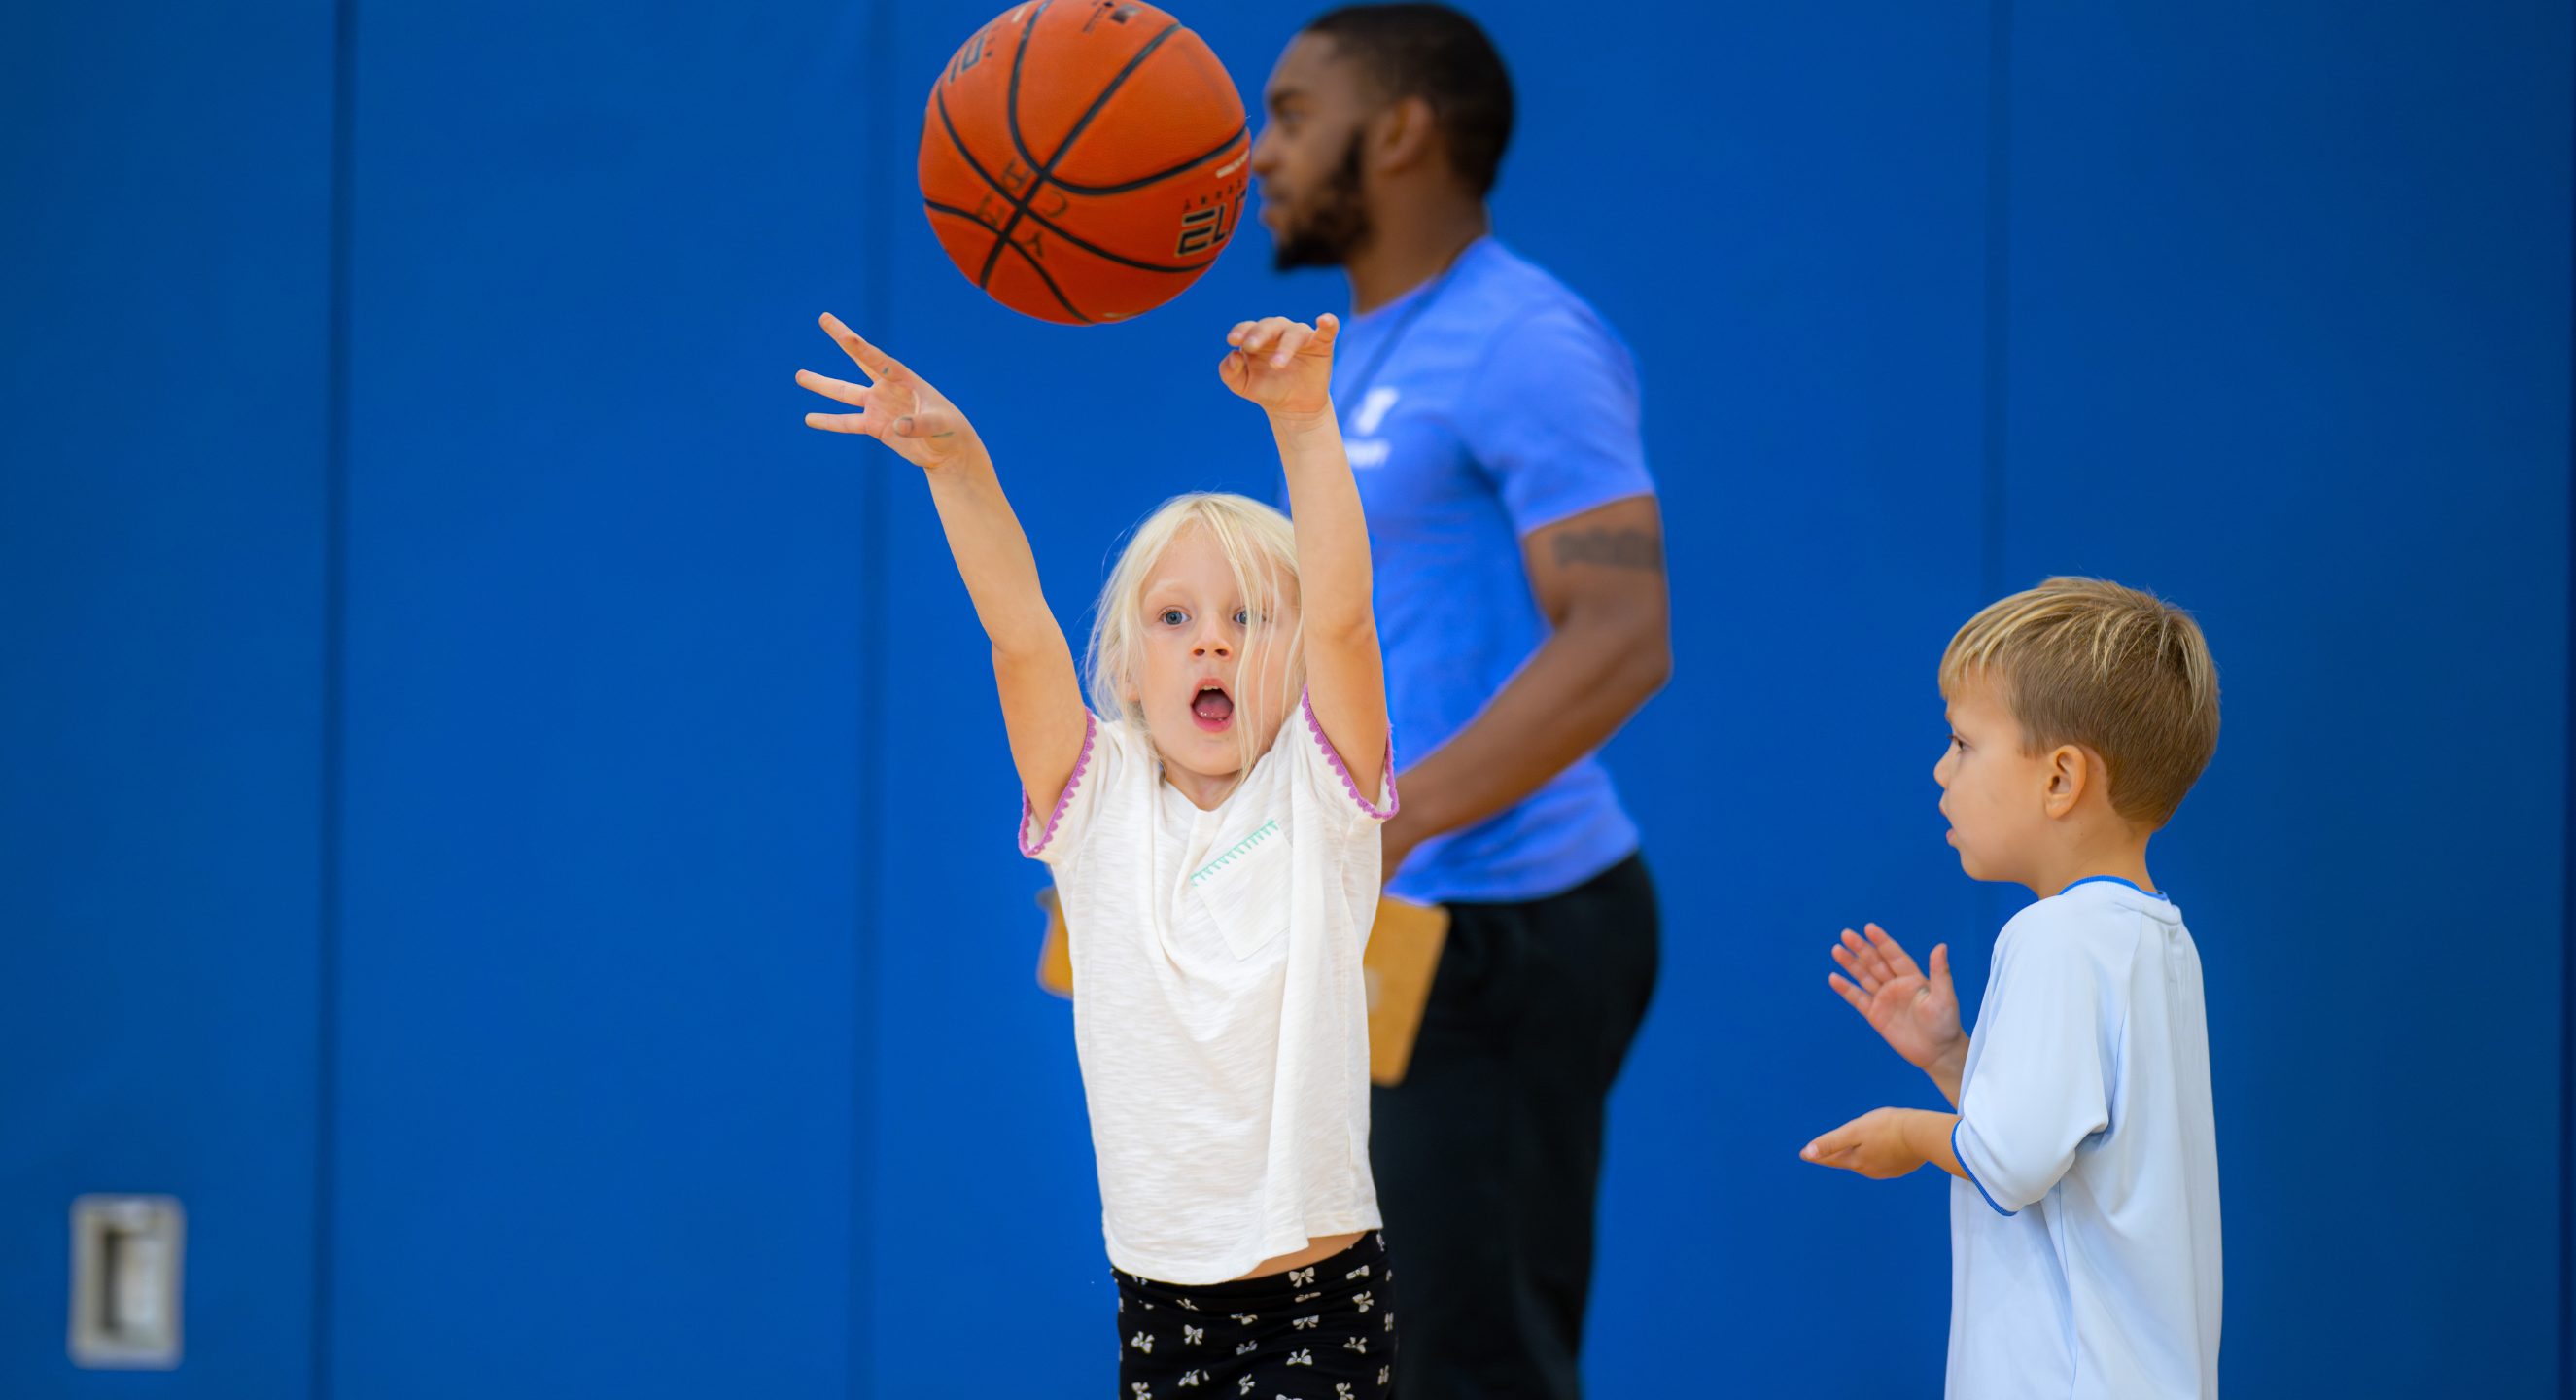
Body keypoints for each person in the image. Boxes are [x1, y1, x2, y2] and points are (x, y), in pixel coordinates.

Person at [796, 309, 1402, 1395]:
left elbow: (1349, 622)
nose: (1211, 639)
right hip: (1157, 1303)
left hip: (1316, 1302)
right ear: (1124, 671)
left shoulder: (1322, 792)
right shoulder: (1099, 799)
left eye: (1250, 616)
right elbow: (1019, 630)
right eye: (1174, 618)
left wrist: (1305, 422)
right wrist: (956, 460)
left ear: (1296, 661)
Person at [1248, 6, 1670, 1394]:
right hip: (1395, 921)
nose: (1260, 153)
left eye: (1295, 112)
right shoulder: (1351, 354)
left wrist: (1401, 814)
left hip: (1508, 935)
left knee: (1467, 1369)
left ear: (1406, 127)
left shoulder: (1522, 340)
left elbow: (1620, 636)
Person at [1802, 578, 2225, 1398]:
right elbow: (2072, 1145)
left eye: (1963, 744)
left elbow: (2009, 1162)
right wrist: (1953, 1059)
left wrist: (1905, 1133)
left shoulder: (2054, 936)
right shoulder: (2154, 939)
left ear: (2061, 779)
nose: (1939, 769)